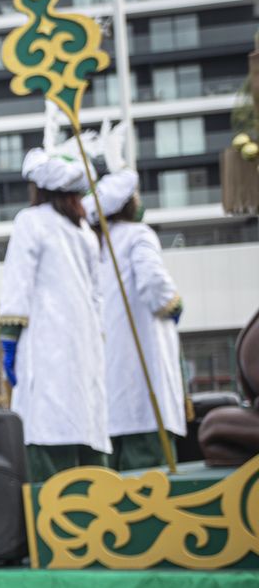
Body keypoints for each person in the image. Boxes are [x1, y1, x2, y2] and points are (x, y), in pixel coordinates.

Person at [0, 142, 111, 480]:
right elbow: (97, 296)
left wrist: (8, 340)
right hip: (85, 349)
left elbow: (17, 286)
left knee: (46, 431)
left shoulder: (30, 221)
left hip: (44, 347)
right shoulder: (85, 232)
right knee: (85, 429)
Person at [84, 168, 186, 469]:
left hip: (107, 394)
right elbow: (154, 283)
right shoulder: (138, 234)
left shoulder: (92, 244)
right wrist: (173, 304)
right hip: (144, 384)